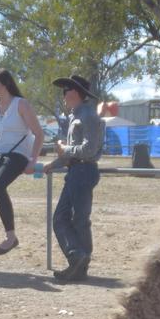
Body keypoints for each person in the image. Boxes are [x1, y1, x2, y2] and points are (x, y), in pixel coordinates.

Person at [0, 69, 43, 255]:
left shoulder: (21, 105)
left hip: (16, 155)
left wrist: (33, 160)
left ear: (5, 84)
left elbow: (39, 134)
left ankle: (10, 237)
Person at [47, 75, 103, 283]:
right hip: (77, 172)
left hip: (83, 171)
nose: (64, 94)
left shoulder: (88, 115)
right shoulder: (77, 115)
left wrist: (64, 149)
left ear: (77, 93)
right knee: (71, 219)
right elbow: (72, 154)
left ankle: (78, 260)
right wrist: (53, 164)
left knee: (72, 220)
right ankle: (78, 263)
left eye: (67, 90)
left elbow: (89, 150)